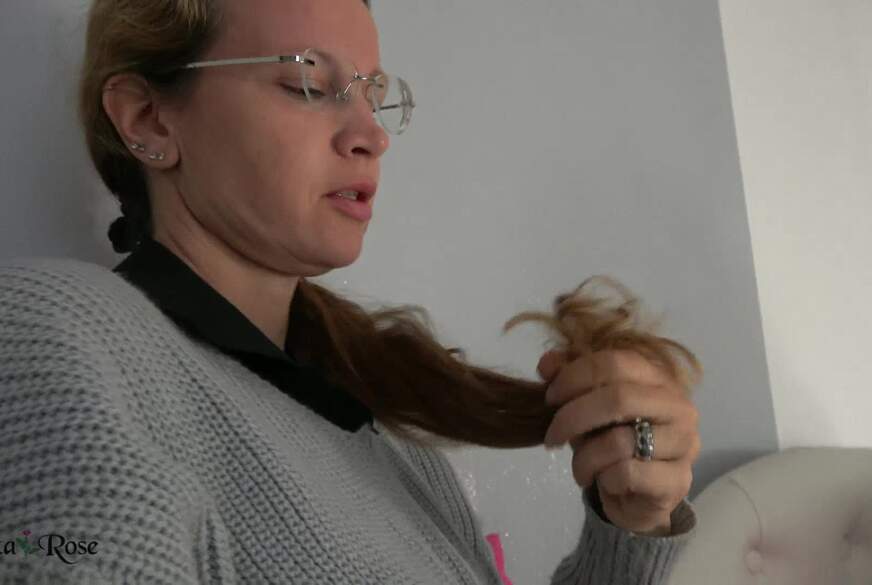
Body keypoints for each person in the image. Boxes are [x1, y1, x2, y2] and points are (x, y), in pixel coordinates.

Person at [0, 0, 701, 583]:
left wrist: (632, 527)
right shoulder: (53, 334)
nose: (371, 134)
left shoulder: (393, 445)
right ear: (148, 119)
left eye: (372, 93)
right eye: (307, 83)